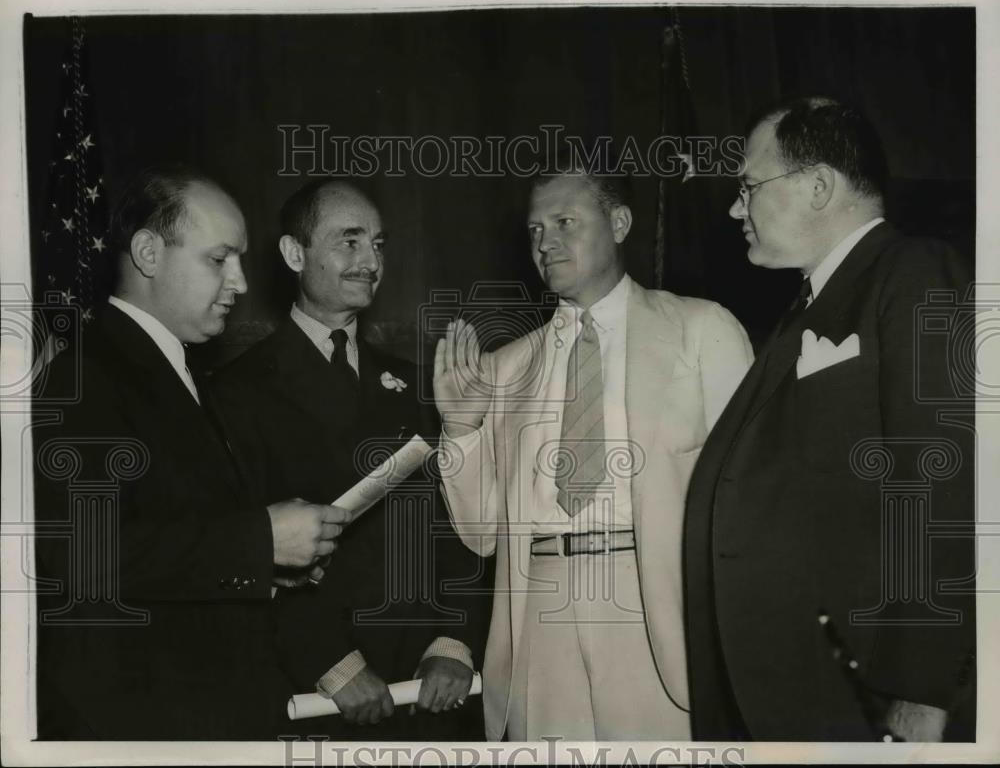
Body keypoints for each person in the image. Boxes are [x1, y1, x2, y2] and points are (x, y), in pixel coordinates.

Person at [683, 96, 976, 741]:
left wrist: (922, 688)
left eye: (748, 187)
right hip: (796, 694)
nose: (735, 208)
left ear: (818, 186)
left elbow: (943, 487)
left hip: (870, 696)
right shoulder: (805, 308)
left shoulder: (915, 273)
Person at [433, 158, 753, 740]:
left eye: (565, 223)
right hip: (540, 611)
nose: (545, 243)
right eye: (535, 230)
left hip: (655, 606)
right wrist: (460, 429)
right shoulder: (505, 367)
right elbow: (481, 533)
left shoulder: (703, 329)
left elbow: (747, 503)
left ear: (620, 223)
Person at [33, 165, 349, 740]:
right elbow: (80, 554)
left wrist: (269, 565)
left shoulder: (178, 371)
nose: (241, 283)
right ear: (148, 254)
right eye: (219, 259)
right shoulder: (86, 376)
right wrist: (259, 541)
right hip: (144, 727)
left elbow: (173, 527)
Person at [213, 179, 487, 740]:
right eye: (350, 241)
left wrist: (453, 642)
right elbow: (235, 550)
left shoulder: (421, 384)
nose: (371, 262)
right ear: (295, 253)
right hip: (316, 695)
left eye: (378, 245)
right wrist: (329, 664)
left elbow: (465, 521)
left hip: (431, 687)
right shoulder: (233, 392)